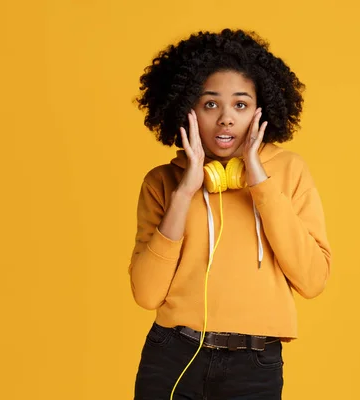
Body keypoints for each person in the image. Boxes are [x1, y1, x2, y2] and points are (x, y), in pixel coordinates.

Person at [128, 28, 332, 400]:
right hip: (173, 356)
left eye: (239, 105)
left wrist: (259, 180)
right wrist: (185, 193)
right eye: (210, 104)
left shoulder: (289, 172)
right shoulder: (162, 182)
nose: (225, 119)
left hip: (254, 365)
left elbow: (313, 280)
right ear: (186, 109)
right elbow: (146, 294)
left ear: (261, 110)